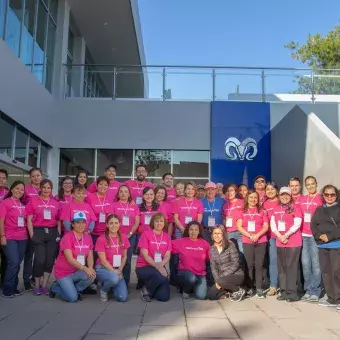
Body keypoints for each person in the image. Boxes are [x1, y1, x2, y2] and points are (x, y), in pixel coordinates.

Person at [50, 211, 96, 302]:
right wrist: (85, 269)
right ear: (72, 224)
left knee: (92, 276)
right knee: (72, 298)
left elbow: (90, 256)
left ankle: (75, 290)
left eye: (83, 222)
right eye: (77, 222)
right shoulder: (67, 237)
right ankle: (55, 288)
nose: (80, 225)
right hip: (63, 273)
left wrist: (90, 268)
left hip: (76, 271)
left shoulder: (88, 238)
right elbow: (70, 259)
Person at [26, 179, 61, 295]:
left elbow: (58, 220)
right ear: (40, 188)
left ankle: (45, 285)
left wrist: (59, 234)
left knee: (49, 260)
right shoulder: (33, 201)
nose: (46, 190)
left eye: (49, 188)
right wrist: (32, 234)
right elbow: (29, 219)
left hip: (52, 232)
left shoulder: (55, 202)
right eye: (44, 187)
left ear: (51, 189)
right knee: (40, 259)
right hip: (38, 231)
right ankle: (36, 284)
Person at [271, 187, 302, 302]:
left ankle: (292, 293)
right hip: (280, 241)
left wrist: (286, 235)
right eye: (282, 195)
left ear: (290, 196)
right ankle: (283, 291)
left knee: (291, 267)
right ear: (279, 196)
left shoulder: (295, 208)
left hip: (293, 241)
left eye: (287, 195)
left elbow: (297, 224)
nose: (284, 197)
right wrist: (279, 236)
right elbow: (273, 225)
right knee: (282, 267)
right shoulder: (276, 208)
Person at [311, 185, 340, 308]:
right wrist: (319, 236)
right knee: (326, 272)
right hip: (322, 245)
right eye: (326, 194)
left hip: (336, 244)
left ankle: (338, 298)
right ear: (323, 196)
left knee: (336, 271)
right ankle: (331, 298)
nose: (329, 197)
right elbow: (313, 225)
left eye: (332, 194)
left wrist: (329, 236)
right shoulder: (319, 210)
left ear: (336, 195)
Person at [236, 189, 269, 298]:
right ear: (247, 198)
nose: (253, 199)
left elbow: (266, 226)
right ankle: (250, 287)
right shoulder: (242, 211)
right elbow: (239, 226)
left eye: (255, 197)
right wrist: (249, 235)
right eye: (251, 197)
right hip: (247, 240)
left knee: (259, 265)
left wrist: (257, 235)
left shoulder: (262, 211)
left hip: (261, 240)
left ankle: (259, 288)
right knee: (249, 265)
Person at [136, 213, 171, 302]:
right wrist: (158, 266)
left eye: (161, 221)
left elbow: (167, 255)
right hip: (144, 266)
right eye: (156, 221)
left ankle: (150, 285)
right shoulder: (146, 234)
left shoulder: (167, 236)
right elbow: (145, 254)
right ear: (152, 223)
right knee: (161, 276)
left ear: (164, 223)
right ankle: (146, 290)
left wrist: (161, 265)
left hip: (159, 265)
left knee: (164, 297)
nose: (159, 223)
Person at [0, 181, 27, 297]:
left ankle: (14, 287)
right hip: (9, 237)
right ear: (11, 189)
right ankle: (7, 289)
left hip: (23, 238)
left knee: (17, 263)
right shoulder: (5, 203)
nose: (19, 191)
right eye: (17, 188)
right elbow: (1, 221)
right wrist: (2, 236)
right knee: (13, 262)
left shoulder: (22, 205)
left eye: (22, 189)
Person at [95, 214, 129, 302]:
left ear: (120, 224)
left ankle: (112, 285)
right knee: (114, 278)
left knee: (122, 298)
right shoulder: (101, 239)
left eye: (116, 223)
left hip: (117, 269)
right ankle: (104, 290)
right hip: (103, 268)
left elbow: (125, 256)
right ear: (107, 224)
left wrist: (120, 269)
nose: (114, 225)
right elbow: (103, 261)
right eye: (111, 223)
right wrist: (114, 272)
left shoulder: (124, 237)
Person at [172, 221, 210, 300]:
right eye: (191, 229)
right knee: (191, 278)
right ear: (188, 231)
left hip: (200, 274)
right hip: (184, 273)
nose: (193, 232)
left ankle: (191, 286)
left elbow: (209, 258)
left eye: (196, 230)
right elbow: (166, 243)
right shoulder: (181, 241)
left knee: (201, 296)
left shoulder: (205, 244)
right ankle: (186, 291)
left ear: (199, 231)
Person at [300, 176, 323, 302]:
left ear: (316, 184)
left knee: (315, 264)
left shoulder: (320, 198)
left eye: (312, 184)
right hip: (303, 235)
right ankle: (308, 289)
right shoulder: (302, 199)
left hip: (315, 236)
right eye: (308, 184)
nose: (310, 186)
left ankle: (316, 290)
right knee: (305, 264)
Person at [208, 225, 245, 301]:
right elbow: (213, 267)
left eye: (219, 233)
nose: (217, 236)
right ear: (212, 235)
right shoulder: (212, 249)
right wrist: (217, 280)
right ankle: (229, 292)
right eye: (215, 233)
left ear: (223, 234)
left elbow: (235, 264)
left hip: (236, 275)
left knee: (221, 281)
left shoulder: (230, 245)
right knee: (211, 295)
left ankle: (238, 290)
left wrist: (221, 278)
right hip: (222, 279)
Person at [112, 184, 140, 286]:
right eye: (121, 191)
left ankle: (125, 282)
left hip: (130, 237)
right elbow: (111, 221)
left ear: (129, 194)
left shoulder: (134, 206)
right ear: (118, 194)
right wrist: (118, 234)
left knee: (127, 259)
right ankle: (114, 280)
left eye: (126, 192)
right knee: (115, 258)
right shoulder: (114, 205)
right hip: (116, 236)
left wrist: (130, 234)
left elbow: (136, 222)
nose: (123, 193)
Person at [22, 167, 43, 291]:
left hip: (41, 227)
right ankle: (26, 279)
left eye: (38, 175)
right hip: (29, 225)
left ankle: (35, 278)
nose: (36, 178)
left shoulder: (45, 188)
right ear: (30, 178)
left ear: (41, 176)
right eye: (34, 176)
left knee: (39, 255)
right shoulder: (26, 189)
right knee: (29, 255)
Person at [262, 181, 280, 296]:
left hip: (282, 236)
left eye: (272, 189)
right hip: (269, 237)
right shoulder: (264, 204)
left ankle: (284, 285)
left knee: (283, 262)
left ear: (277, 190)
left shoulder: (282, 201)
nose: (270, 191)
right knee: (272, 261)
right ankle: (273, 285)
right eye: (267, 189)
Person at [86, 176, 114, 245]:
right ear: (97, 185)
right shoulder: (90, 197)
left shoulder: (110, 198)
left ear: (108, 187)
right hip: (92, 232)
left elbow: (111, 214)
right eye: (101, 184)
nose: (103, 186)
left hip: (106, 232)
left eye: (105, 185)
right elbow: (87, 214)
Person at [222, 184, 244, 254]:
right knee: (230, 253)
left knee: (242, 251)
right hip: (229, 232)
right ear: (225, 193)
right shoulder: (225, 205)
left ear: (235, 192)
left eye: (231, 190)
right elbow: (224, 219)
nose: (229, 193)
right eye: (227, 191)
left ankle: (243, 265)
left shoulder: (242, 202)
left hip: (240, 231)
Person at [0, 169, 9, 287]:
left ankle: (3, 282)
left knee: (6, 257)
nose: (1, 180)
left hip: (6, 229)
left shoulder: (8, 192)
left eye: (3, 178)